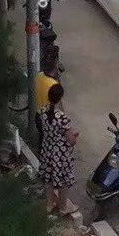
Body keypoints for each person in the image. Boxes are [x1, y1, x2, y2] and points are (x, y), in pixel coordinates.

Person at [38, 81, 77, 217]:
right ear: (60, 98)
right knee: (63, 181)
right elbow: (71, 141)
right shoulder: (63, 118)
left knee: (48, 179)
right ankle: (63, 207)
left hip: (47, 150)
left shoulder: (42, 111)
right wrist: (75, 136)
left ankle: (49, 204)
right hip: (61, 155)